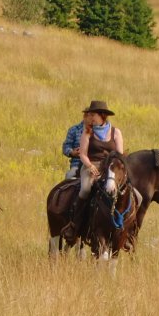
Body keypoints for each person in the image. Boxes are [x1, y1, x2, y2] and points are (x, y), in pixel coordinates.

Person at [63, 100, 124, 242]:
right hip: (90, 166)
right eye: (89, 115)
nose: (91, 118)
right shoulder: (87, 132)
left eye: (93, 115)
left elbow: (119, 154)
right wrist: (90, 166)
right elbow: (83, 154)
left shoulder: (116, 132)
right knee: (85, 189)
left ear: (101, 115)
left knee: (131, 192)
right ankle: (75, 224)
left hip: (109, 168)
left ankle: (128, 228)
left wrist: (112, 166)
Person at [62, 110, 88, 180]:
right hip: (77, 164)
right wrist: (72, 152)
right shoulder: (74, 130)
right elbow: (66, 147)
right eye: (89, 116)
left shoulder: (97, 130)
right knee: (69, 176)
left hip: (94, 164)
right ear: (84, 117)